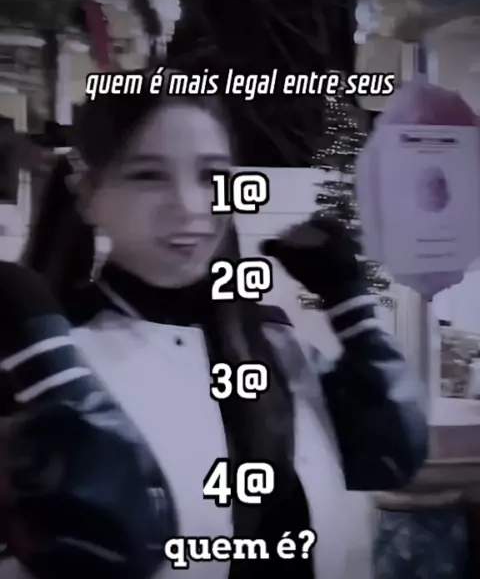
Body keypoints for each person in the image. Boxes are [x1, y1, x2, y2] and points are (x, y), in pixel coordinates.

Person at [20, 68, 427, 579]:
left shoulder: (278, 346)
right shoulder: (57, 368)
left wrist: (353, 307)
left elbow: (391, 456)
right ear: (87, 193)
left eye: (213, 175)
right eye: (148, 175)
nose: (190, 207)